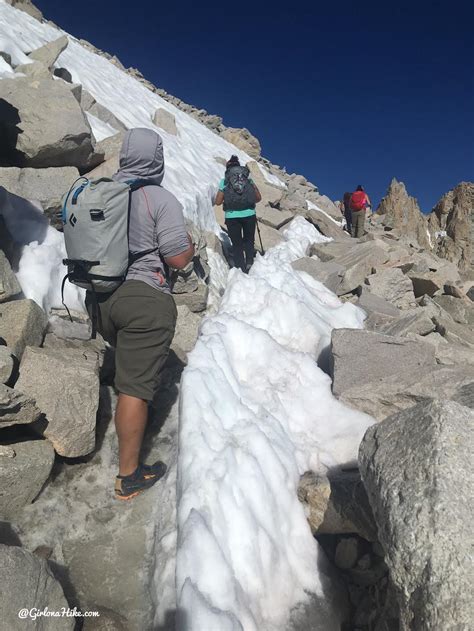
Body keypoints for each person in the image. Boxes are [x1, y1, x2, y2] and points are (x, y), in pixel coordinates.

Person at [86, 128, 194, 500]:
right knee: (135, 389)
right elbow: (177, 257)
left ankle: (127, 403)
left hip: (101, 300)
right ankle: (128, 477)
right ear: (157, 160)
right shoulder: (157, 197)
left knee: (128, 366)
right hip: (143, 299)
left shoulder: (100, 190)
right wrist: (190, 244)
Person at [215, 155, 262, 273]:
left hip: (232, 216)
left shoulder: (224, 181)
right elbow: (258, 198)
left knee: (237, 243)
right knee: (249, 240)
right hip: (249, 214)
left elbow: (218, 202)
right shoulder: (248, 180)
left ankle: (240, 268)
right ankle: (250, 262)